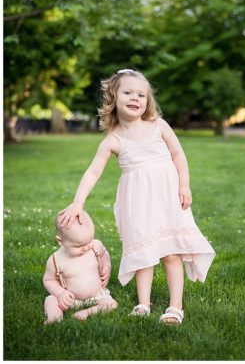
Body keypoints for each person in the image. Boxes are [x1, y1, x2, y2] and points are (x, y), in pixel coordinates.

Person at [58, 68, 215, 325]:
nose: (135, 98)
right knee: (145, 253)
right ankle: (143, 304)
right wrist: (78, 202)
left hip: (167, 198)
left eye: (141, 94)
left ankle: (175, 307)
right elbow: (93, 172)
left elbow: (178, 155)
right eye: (128, 92)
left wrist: (184, 185)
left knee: (172, 253)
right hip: (138, 203)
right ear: (114, 97)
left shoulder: (158, 126)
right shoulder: (113, 139)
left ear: (147, 101)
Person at [43, 211, 117, 323]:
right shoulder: (56, 260)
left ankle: (86, 313)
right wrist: (61, 293)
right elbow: (49, 280)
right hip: (71, 300)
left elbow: (104, 254)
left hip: (98, 295)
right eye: (79, 245)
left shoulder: (96, 245)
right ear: (60, 241)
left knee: (111, 304)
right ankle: (54, 318)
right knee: (51, 299)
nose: (86, 247)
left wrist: (107, 266)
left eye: (89, 241)